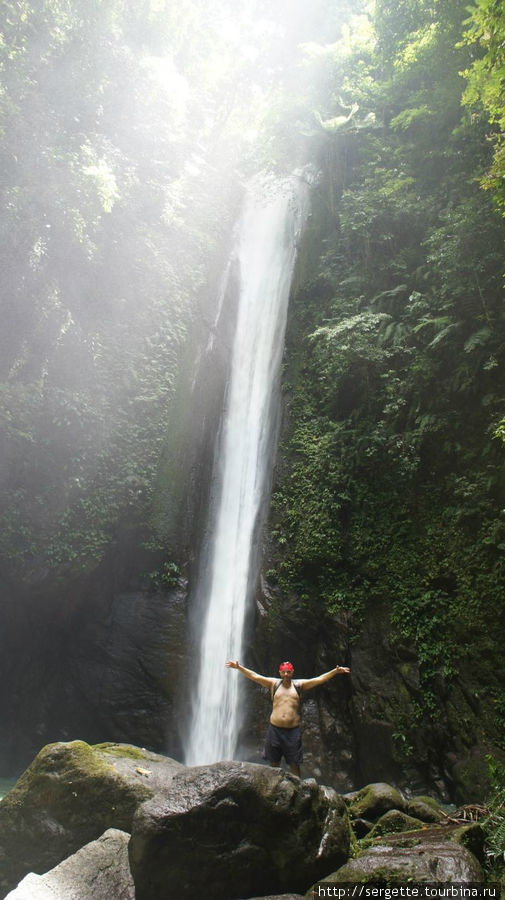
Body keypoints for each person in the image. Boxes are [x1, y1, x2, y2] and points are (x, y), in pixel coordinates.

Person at [225, 658, 350, 777]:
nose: (286, 674)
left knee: (294, 764)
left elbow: (319, 679)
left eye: (288, 672)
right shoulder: (273, 684)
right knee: (273, 763)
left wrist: (335, 671)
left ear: (292, 672)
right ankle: (272, 791)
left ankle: (299, 792)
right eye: (283, 672)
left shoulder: (299, 685)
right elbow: (255, 676)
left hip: (292, 732)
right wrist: (239, 667)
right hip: (274, 730)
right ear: (279, 672)